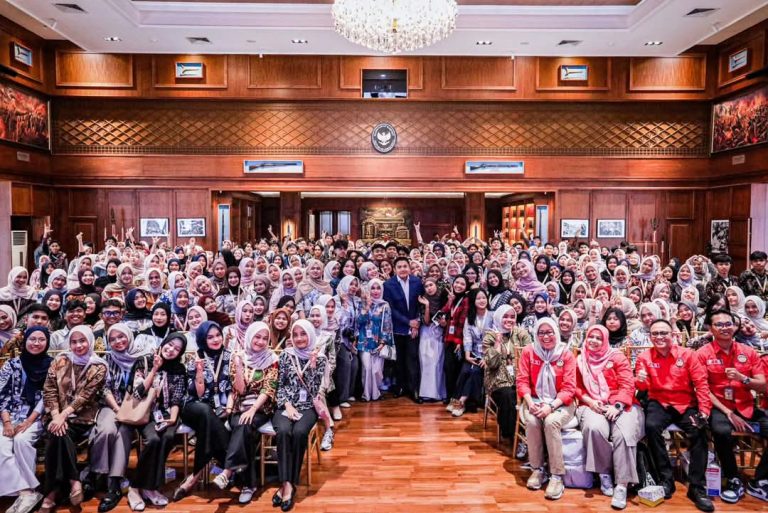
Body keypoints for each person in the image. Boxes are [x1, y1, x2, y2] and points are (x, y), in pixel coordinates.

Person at [635, 319, 714, 512]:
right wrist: (641, 381)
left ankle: (697, 487)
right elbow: (641, 388)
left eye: (664, 333)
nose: (660, 337)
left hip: (686, 402)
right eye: (655, 334)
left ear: (673, 335)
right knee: (651, 427)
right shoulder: (644, 357)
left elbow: (701, 384)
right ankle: (665, 479)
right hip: (659, 401)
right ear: (650, 336)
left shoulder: (688, 355)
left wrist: (704, 411)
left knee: (699, 429)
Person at [696, 310, 768, 503]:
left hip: (746, 405)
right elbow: (702, 389)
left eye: (728, 324)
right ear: (711, 329)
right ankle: (733, 477)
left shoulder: (748, 352)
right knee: (720, 431)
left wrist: (743, 378)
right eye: (719, 325)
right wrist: (728, 412)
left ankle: (758, 480)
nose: (725, 327)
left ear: (735, 327)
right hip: (719, 407)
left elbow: (762, 385)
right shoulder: (702, 354)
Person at [40, 326, 108, 513]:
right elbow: (49, 389)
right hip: (55, 414)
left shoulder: (98, 366)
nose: (78, 345)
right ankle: (73, 480)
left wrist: (63, 416)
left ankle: (52, 492)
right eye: (74, 341)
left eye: (82, 341)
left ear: (90, 341)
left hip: (81, 416)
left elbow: (85, 397)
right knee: (58, 433)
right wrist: (56, 415)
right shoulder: (61, 360)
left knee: (59, 434)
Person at [575, 325, 642, 510]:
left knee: (623, 433)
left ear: (605, 339)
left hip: (622, 403)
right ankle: (604, 473)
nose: (594, 341)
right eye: (591, 337)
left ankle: (622, 485)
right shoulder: (581, 359)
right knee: (593, 428)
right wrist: (589, 401)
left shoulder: (617, 357)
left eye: (598, 338)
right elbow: (577, 388)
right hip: (593, 403)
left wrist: (618, 405)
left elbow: (628, 384)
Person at [87, 323, 152, 512]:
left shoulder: (142, 358)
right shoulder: (106, 359)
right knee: (106, 430)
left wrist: (125, 412)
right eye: (113, 339)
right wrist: (116, 409)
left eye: (121, 337)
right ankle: (96, 473)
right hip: (112, 404)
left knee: (123, 433)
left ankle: (114, 485)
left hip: (136, 407)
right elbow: (105, 388)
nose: (118, 341)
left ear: (129, 337)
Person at [214, 321, 278, 504]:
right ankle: (249, 484)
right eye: (257, 337)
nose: (260, 341)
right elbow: (239, 390)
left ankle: (229, 472)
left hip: (261, 408)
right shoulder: (238, 356)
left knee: (244, 425)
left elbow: (269, 389)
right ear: (250, 336)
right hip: (239, 406)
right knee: (245, 431)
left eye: (265, 338)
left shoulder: (272, 359)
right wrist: (239, 367)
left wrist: (253, 409)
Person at [517, 318, 577, 501]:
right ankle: (538, 469)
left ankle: (557, 476)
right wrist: (530, 402)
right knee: (533, 420)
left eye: (549, 332)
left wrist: (551, 406)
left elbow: (569, 389)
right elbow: (522, 381)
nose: (546, 336)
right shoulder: (529, 351)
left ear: (556, 332)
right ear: (536, 334)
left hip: (561, 402)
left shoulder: (566, 354)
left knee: (551, 422)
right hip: (534, 400)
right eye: (541, 332)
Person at [127, 332, 188, 510]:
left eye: (177, 349)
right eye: (169, 345)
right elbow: (137, 393)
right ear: (163, 343)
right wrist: (154, 369)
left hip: (168, 414)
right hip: (145, 413)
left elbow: (177, 397)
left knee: (168, 438)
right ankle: (136, 487)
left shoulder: (178, 368)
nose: (171, 350)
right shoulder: (144, 361)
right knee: (153, 440)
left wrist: (173, 418)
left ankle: (150, 487)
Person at [173, 321, 232, 500]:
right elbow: (196, 393)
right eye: (210, 336)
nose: (215, 339)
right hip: (193, 405)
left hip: (218, 408)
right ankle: (231, 465)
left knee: (208, 421)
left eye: (218, 335)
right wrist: (199, 373)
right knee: (206, 412)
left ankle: (194, 476)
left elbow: (232, 390)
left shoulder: (230, 356)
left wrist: (229, 408)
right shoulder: (196, 357)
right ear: (202, 339)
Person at [272, 320, 326, 512]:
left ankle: (287, 484)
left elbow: (314, 391)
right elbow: (280, 384)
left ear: (310, 335)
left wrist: (312, 366)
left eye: (303, 334)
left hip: (308, 406)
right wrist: (287, 405)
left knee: (300, 432)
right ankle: (288, 484)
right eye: (295, 335)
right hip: (286, 404)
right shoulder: (287, 355)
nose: (299, 338)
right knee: (284, 431)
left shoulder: (319, 358)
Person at [0, 327, 53, 513]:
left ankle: (26, 491)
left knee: (22, 440)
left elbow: (48, 396)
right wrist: (7, 423)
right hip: (8, 415)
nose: (36, 343)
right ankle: (25, 491)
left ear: (47, 343)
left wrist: (29, 421)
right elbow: (2, 395)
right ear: (25, 341)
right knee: (1, 445)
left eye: (41, 340)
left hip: (36, 415)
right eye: (32, 339)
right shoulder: (12, 364)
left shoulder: (52, 365)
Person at [482, 305, 531, 439]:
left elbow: (529, 357)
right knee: (508, 394)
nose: (509, 320)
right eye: (505, 316)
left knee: (523, 392)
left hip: (519, 377)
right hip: (497, 379)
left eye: (512, 317)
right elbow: (492, 364)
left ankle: (527, 432)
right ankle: (514, 435)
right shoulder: (490, 336)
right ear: (498, 317)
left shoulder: (521, 333)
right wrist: (497, 343)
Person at [383, 256, 425, 402]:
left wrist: (417, 323)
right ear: (395, 269)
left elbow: (421, 304)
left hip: (414, 328)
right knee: (399, 360)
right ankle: (401, 387)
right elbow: (391, 308)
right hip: (398, 328)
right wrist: (409, 322)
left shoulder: (417, 282)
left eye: (405, 266)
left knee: (412, 360)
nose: (402, 269)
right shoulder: (388, 284)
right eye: (399, 267)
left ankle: (414, 390)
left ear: (409, 267)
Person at [356, 279, 393, 402]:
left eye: (378, 288)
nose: (376, 291)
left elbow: (387, 324)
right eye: (373, 288)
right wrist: (366, 306)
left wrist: (383, 342)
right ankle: (366, 395)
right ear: (369, 289)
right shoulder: (362, 303)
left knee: (377, 371)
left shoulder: (385, 305)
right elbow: (359, 322)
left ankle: (376, 394)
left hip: (378, 342)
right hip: (364, 341)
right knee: (367, 368)